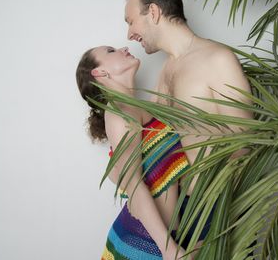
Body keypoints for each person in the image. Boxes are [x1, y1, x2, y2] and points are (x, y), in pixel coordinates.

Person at [124, 0, 253, 246]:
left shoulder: (217, 58)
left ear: (154, 12)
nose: (129, 34)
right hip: (185, 214)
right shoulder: (165, 72)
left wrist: (220, 223)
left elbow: (245, 143)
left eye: (131, 21)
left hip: (220, 212)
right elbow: (148, 137)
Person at [76, 45, 191, 260]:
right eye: (110, 51)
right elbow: (134, 186)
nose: (123, 47)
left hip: (162, 241)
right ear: (100, 73)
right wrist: (169, 250)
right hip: (142, 248)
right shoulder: (119, 113)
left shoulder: (140, 108)